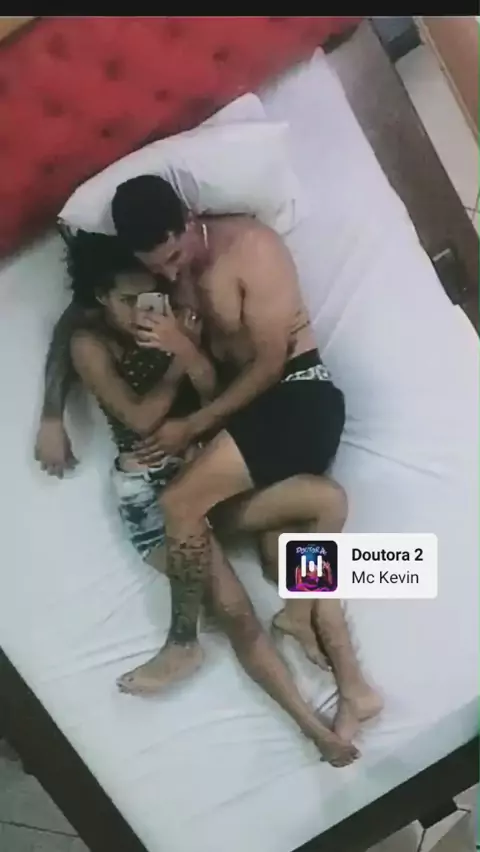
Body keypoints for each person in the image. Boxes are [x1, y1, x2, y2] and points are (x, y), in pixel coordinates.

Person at [35, 176, 381, 744]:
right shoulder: (144, 289)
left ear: (189, 218)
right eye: (156, 269)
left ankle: (185, 641)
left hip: (294, 399)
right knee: (290, 542)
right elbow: (77, 322)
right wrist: (53, 413)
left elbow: (268, 365)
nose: (169, 276)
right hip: (232, 431)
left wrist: (191, 415)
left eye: (173, 259)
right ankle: (353, 683)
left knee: (185, 503)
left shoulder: (248, 248)